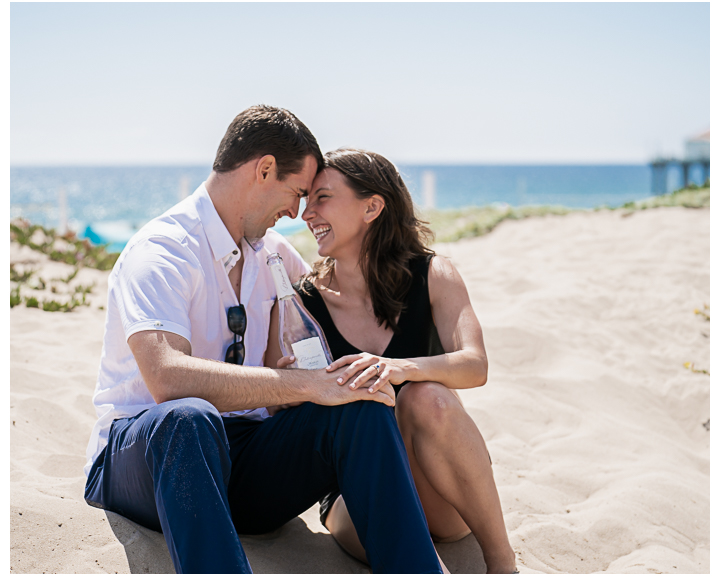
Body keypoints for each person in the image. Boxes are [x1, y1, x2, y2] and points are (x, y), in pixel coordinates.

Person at [83, 106, 443, 575]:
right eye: (297, 192)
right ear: (264, 169)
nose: (297, 211)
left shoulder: (274, 254)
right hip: (145, 460)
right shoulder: (162, 251)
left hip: (243, 466)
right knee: (188, 417)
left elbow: (346, 288)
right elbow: (167, 378)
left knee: (358, 406)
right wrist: (308, 385)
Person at [268, 149, 518, 573]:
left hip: (441, 487)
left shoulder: (434, 275)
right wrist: (294, 388)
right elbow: (276, 405)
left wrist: (404, 369)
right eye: (307, 199)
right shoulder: (302, 302)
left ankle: (503, 563)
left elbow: (475, 365)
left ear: (372, 206)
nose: (307, 213)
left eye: (323, 197)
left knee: (426, 398)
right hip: (354, 493)